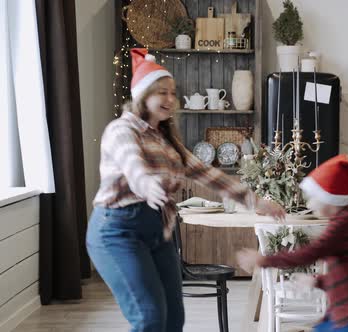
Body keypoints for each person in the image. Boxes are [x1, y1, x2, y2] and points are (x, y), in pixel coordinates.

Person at [86, 48, 285, 332]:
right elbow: (134, 166)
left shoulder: (169, 142)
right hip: (117, 231)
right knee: (150, 319)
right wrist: (149, 186)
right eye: (161, 93)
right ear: (143, 96)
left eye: (172, 92)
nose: (169, 99)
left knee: (173, 320)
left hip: (158, 231)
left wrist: (256, 202)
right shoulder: (122, 130)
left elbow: (210, 175)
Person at [237, 155, 348, 332]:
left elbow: (309, 253)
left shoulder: (342, 225)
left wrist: (263, 260)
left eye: (314, 196)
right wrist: (319, 281)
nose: (310, 203)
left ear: (329, 198)